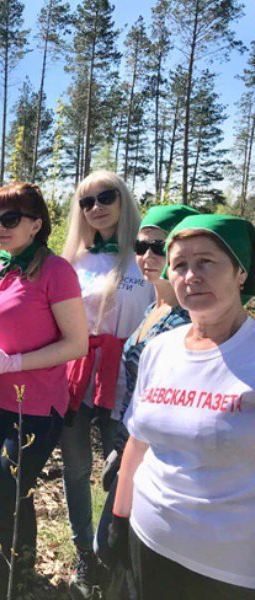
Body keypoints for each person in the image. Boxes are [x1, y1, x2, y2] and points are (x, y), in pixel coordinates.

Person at [110, 214, 255, 600]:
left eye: (206, 262)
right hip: (148, 543)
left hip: (230, 571)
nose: (191, 275)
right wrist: (118, 519)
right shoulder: (160, 350)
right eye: (180, 265)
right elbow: (138, 444)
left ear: (241, 273)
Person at [0, 182, 88, 598]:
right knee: (17, 494)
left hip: (35, 407)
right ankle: (18, 576)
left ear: (36, 224)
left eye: (9, 218)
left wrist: (14, 363)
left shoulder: (56, 271)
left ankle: (9, 585)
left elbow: (77, 343)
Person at [93, 204, 198, 599]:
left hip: (157, 459)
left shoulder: (189, 320)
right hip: (128, 443)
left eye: (160, 247)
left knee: (126, 554)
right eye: (141, 245)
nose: (147, 256)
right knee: (112, 548)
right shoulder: (154, 308)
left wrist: (127, 455)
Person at [59, 171, 153, 599]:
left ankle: (109, 546)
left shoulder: (146, 257)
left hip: (128, 377)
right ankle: (84, 550)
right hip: (78, 375)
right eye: (86, 201)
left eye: (105, 196)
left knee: (122, 466)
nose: (96, 206)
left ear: (123, 198)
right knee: (76, 467)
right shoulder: (72, 260)